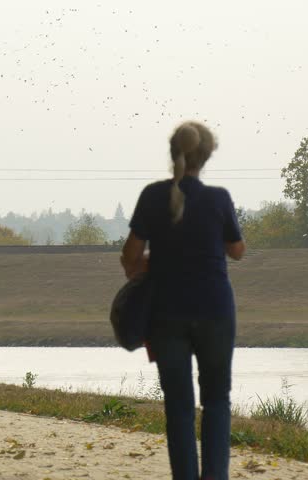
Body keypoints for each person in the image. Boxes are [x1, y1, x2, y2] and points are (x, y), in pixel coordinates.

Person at [120, 121, 245, 480]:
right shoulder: (218, 199)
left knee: (178, 406)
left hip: (166, 314)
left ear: (173, 152)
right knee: (217, 400)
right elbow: (237, 251)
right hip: (215, 312)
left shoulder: (152, 196)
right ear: (206, 157)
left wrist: (156, 261)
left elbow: (129, 257)